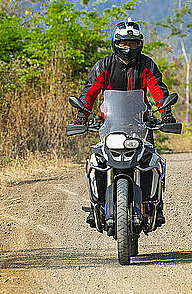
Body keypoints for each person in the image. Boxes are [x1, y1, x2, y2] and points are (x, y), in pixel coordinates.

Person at [72, 17, 176, 227]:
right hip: (110, 125)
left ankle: (156, 203)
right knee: (96, 162)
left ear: (140, 44)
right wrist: (82, 116)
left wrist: (166, 115)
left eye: (133, 44)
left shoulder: (146, 65)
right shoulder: (104, 65)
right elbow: (89, 91)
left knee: (153, 161)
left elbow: (158, 89)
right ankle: (96, 204)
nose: (128, 48)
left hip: (140, 123)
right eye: (123, 44)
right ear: (115, 43)